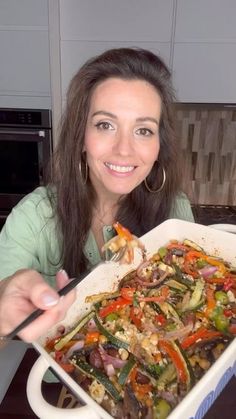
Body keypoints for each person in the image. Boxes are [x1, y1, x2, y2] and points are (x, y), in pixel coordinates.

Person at [0, 47, 194, 342]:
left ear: (159, 148)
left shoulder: (175, 212)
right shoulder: (35, 215)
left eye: (143, 130)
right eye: (105, 125)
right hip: (51, 382)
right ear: (81, 136)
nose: (124, 149)